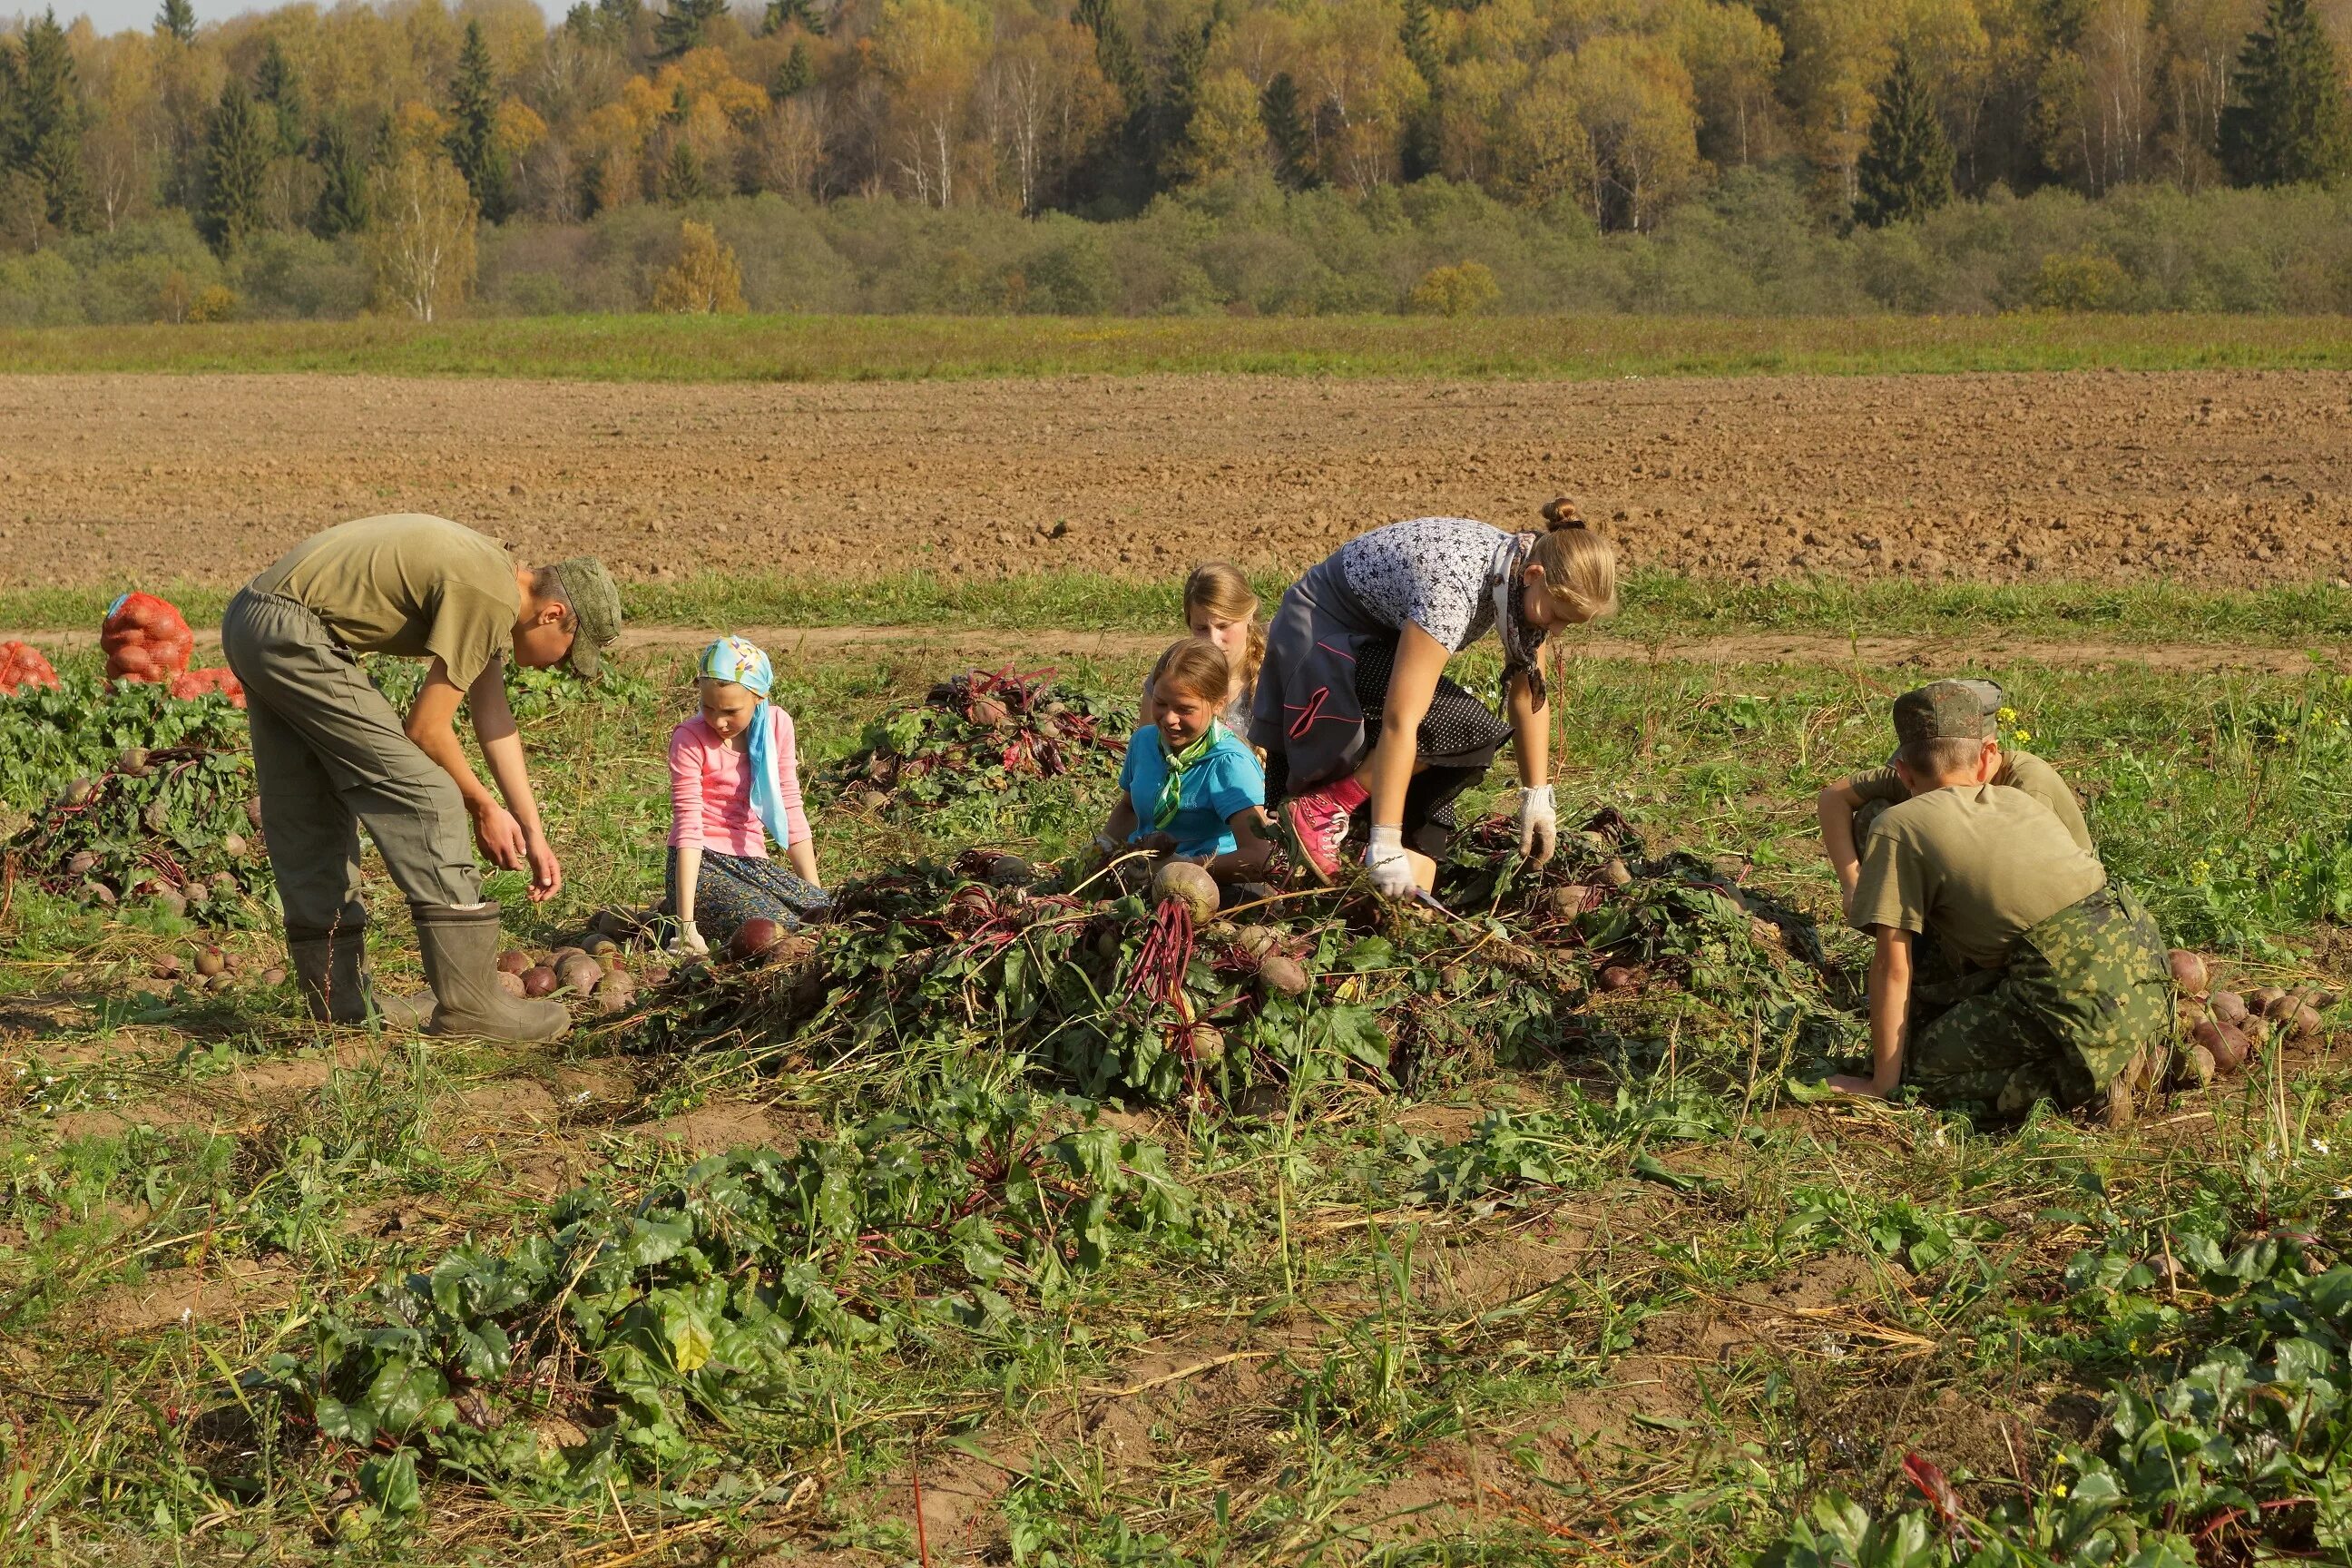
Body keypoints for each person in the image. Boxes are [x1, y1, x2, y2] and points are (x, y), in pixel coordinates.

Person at [220, 513, 621, 1041]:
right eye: (570, 653)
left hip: (254, 620)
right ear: (552, 615)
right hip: (292, 631)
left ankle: (337, 1000)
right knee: (429, 797)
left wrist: (533, 828)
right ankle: (472, 1007)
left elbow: (493, 719)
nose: (561, 667)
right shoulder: (489, 594)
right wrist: (481, 806)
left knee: (308, 802)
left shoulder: (493, 582)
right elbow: (427, 729)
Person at [1827, 681, 2170, 1125]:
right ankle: (2136, 1040)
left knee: (1920, 1066)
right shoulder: (2015, 796)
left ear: (1904, 774)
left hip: (2061, 982)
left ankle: (2080, 1082)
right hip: (2143, 957)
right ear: (1987, 759)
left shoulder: (1900, 824)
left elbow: (1892, 967)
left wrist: (1881, 1085)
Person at [1251, 500, 1617, 897]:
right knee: (1461, 726)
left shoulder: (1521, 580)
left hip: (1374, 641)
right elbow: (1400, 719)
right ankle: (1327, 808)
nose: (1558, 631)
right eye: (1558, 616)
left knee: (1446, 760)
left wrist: (1537, 798)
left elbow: (1528, 692)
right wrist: (1385, 840)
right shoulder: (1452, 588)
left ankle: (1375, 870)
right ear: (1534, 574)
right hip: (1320, 641)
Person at [1818, 679, 2092, 912]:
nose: (1937, 783)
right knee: (1875, 814)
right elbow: (1833, 798)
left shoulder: (2027, 788)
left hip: (2050, 914)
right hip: (1972, 894)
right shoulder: (1925, 774)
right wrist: (1852, 884)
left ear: (1986, 756)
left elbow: (2028, 888)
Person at [668, 637, 830, 955]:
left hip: (753, 864)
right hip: (702, 866)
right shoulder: (689, 740)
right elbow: (688, 827)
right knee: (777, 932)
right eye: (708, 707)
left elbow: (790, 807)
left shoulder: (777, 725)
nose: (717, 721)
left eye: (731, 710)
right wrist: (685, 926)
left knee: (830, 914)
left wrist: (816, 897)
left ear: (759, 697)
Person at [1096, 640, 1272, 881]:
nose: (1169, 718)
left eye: (1184, 709)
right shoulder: (1145, 742)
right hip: (1141, 876)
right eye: (1160, 703)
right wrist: (1103, 847)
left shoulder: (1229, 764)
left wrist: (1185, 866)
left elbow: (1259, 857)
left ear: (1218, 705)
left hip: (1208, 887)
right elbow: (1129, 809)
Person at [1142, 563, 1263, 730]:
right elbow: (1146, 751)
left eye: (1223, 626)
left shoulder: (1276, 677)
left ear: (1249, 616)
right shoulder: (1169, 677)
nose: (1213, 641)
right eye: (1201, 628)